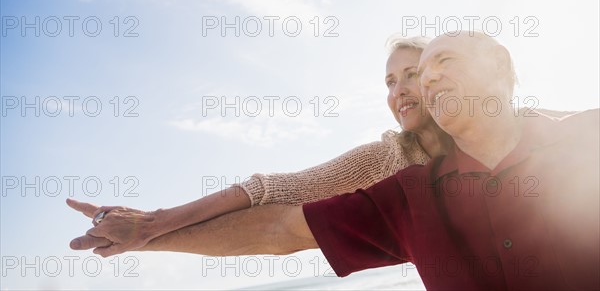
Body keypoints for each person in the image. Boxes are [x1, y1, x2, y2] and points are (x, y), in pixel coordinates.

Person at [70, 32, 599, 290]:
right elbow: (276, 205)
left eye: (421, 71)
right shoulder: (398, 180)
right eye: (390, 82)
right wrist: (151, 228)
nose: (411, 86)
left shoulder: (576, 139)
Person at [68, 36, 455, 255]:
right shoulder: (388, 157)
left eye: (412, 75)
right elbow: (271, 194)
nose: (399, 90)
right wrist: (151, 227)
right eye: (389, 81)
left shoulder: (493, 135)